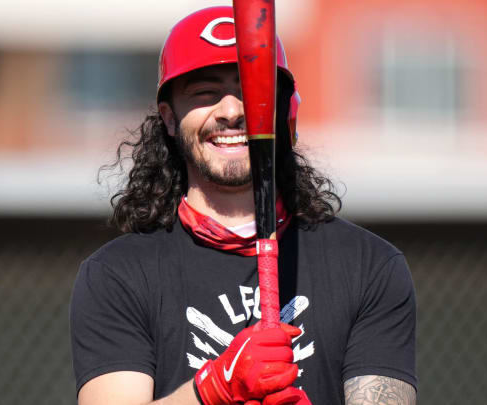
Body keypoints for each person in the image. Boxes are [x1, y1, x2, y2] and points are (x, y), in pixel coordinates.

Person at [70, 6, 416, 405]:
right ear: (168, 118)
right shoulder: (117, 275)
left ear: (283, 109)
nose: (232, 111)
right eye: (205, 93)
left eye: (249, 91)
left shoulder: (368, 266)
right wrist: (214, 389)